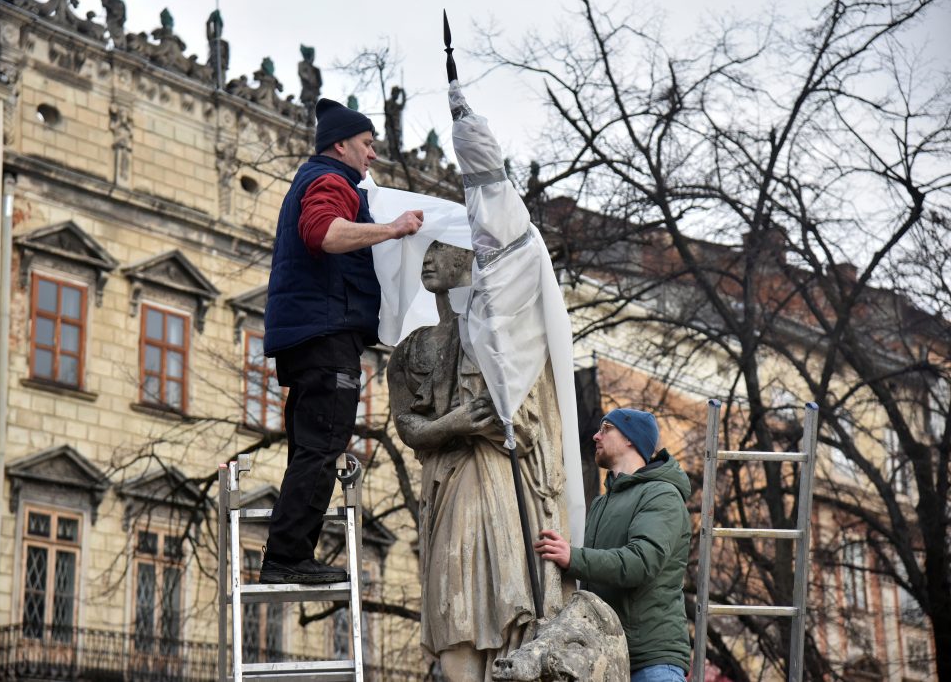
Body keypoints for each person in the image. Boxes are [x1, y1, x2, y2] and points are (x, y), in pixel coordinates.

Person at [388, 241, 573, 681]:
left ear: (467, 255)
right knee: (452, 599)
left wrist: (493, 422)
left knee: (495, 595)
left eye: (439, 247)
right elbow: (407, 425)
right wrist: (452, 424)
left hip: (497, 480)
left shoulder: (506, 335)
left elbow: (533, 422)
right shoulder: (412, 349)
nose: (427, 258)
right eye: (423, 249)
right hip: (447, 477)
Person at [259, 98, 423, 585]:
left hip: (309, 333)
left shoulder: (318, 180)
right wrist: (392, 229)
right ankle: (288, 558)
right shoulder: (329, 181)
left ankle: (288, 553)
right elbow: (323, 234)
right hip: (324, 333)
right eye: (368, 145)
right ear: (341, 144)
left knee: (311, 445)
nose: (372, 155)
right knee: (323, 444)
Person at [534, 408, 692, 682]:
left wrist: (573, 558)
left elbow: (640, 562)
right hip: (607, 658)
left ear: (632, 438)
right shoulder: (602, 503)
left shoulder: (662, 494)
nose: (596, 435)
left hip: (650, 662)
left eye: (606, 429)